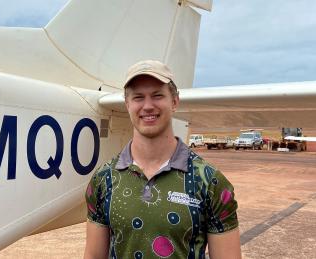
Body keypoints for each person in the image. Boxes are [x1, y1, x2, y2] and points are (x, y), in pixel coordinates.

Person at [83, 60, 241, 259]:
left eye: (157, 95)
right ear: (127, 104)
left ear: (174, 101)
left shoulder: (210, 182)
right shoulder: (103, 179)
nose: (148, 106)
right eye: (138, 97)